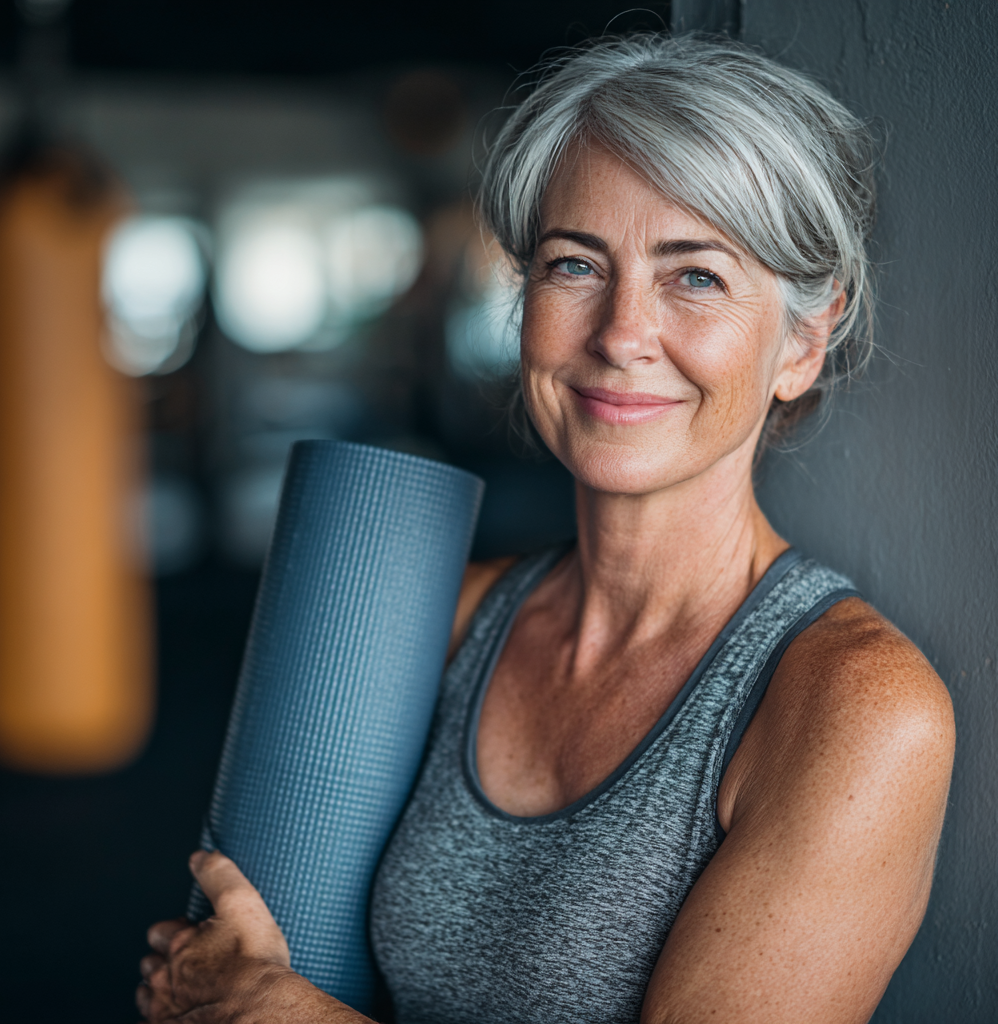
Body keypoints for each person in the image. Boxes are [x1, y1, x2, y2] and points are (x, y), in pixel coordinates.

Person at [137, 36, 954, 1024]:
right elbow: (242, 947)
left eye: (694, 277)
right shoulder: (450, 618)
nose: (618, 332)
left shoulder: (855, 709)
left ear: (802, 342)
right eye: (575, 265)